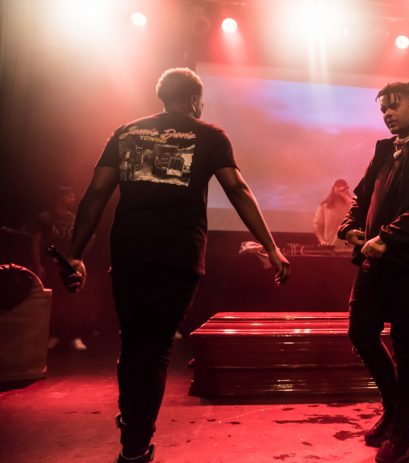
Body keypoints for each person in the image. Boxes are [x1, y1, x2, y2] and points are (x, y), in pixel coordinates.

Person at [61, 68, 290, 463]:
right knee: (155, 348)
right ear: (196, 100)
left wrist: (76, 253)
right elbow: (237, 189)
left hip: (130, 252)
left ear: (162, 96)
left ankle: (132, 420)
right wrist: (271, 246)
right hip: (178, 255)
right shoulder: (210, 135)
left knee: (134, 343)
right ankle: (135, 446)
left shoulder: (126, 133)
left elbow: (96, 193)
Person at [338, 78, 409, 463]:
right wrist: (349, 226)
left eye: (394, 105)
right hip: (375, 261)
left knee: (405, 344)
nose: (388, 113)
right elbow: (361, 197)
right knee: (361, 333)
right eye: (383, 108)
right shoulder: (383, 150)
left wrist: (387, 237)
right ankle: (395, 412)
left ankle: (405, 433)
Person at [30, 186, 88, 351]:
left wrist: (80, 262)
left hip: (70, 266)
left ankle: (75, 337)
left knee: (74, 301)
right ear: (59, 198)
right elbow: (36, 243)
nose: (73, 199)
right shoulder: (44, 218)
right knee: (55, 302)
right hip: (51, 265)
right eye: (69, 196)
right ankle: (54, 336)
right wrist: (38, 265)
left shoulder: (74, 219)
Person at [313, 178, 352, 250]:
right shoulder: (325, 206)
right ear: (333, 188)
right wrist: (322, 241)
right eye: (338, 186)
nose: (340, 188)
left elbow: (355, 210)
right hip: (330, 246)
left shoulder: (349, 204)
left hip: (348, 248)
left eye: (343, 186)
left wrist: (344, 195)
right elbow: (317, 225)